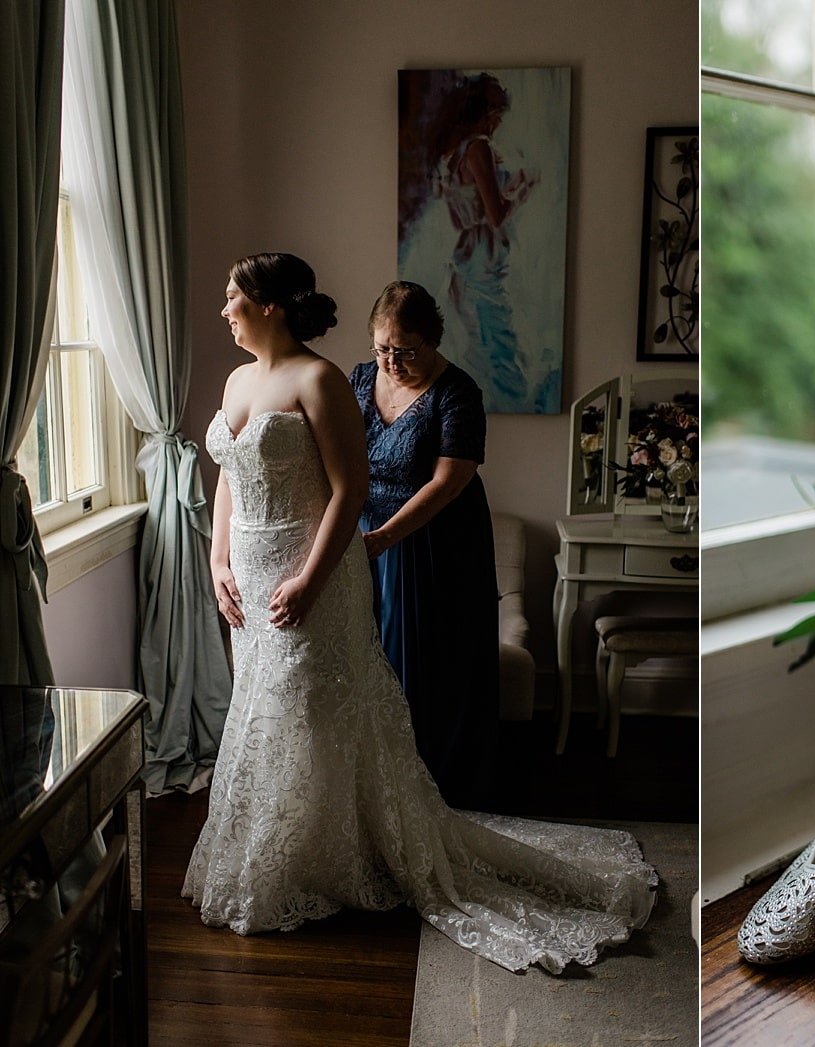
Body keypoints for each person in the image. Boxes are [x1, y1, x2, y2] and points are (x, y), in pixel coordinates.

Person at [185, 253, 654, 973]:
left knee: (317, 702)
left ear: (270, 305)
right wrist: (217, 562)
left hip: (329, 564)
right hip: (249, 574)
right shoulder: (244, 379)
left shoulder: (324, 381)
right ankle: (286, 846)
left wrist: (315, 576)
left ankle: (343, 848)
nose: (223, 309)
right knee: (262, 708)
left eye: (231, 297)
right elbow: (231, 476)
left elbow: (351, 488)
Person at [352, 280, 498, 809]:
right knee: (366, 655)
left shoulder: (458, 392)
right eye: (382, 348)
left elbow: (449, 481)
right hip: (365, 532)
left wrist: (388, 536)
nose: (391, 362)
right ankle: (376, 783)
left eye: (405, 350)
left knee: (428, 661)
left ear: (432, 340)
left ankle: (432, 789)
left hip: (435, 540)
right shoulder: (360, 379)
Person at [430, 73, 540, 411]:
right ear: (484, 112)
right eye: (496, 114)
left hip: (468, 250)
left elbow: (464, 208)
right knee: (496, 337)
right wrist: (521, 191)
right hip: (482, 254)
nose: (498, 122)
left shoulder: (454, 152)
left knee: (482, 339)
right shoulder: (479, 148)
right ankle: (510, 400)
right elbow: (496, 214)